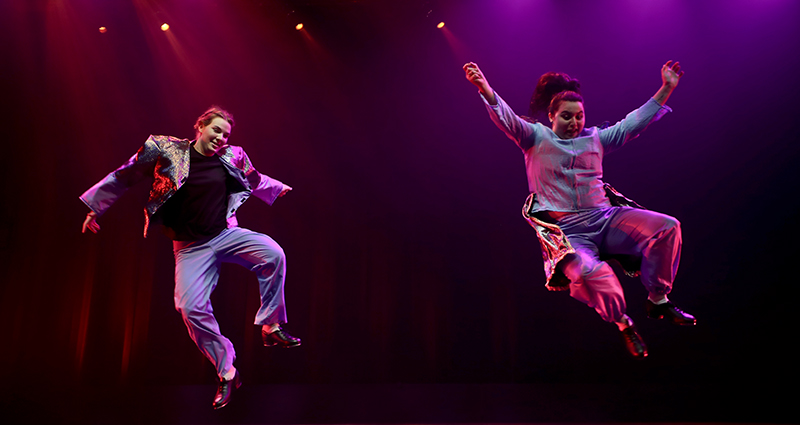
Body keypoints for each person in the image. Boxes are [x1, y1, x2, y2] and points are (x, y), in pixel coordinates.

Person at [463, 61, 696, 358]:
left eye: (579, 117)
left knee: (667, 227)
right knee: (594, 278)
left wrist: (666, 88)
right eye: (566, 117)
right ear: (551, 117)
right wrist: (485, 88)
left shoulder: (596, 138)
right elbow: (506, 118)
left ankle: (658, 299)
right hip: (571, 233)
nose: (574, 123)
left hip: (607, 220)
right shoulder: (534, 137)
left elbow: (634, 122)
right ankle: (624, 324)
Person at [80, 106, 301, 408]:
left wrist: (277, 187)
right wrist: (96, 206)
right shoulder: (165, 149)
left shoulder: (233, 155)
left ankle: (271, 326)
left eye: (226, 134)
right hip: (190, 247)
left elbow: (253, 177)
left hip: (225, 235)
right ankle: (227, 370)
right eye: (216, 130)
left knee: (273, 253)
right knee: (189, 307)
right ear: (200, 126)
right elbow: (125, 174)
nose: (221, 138)